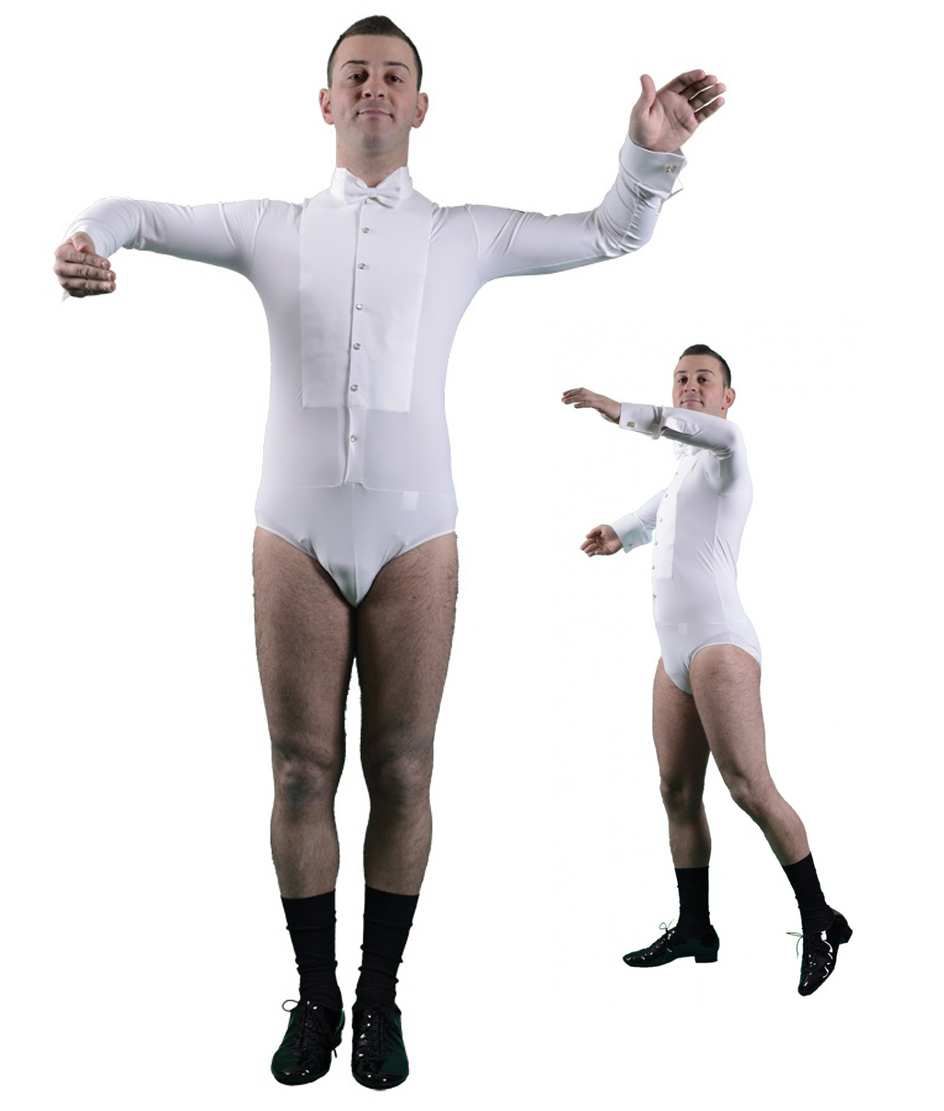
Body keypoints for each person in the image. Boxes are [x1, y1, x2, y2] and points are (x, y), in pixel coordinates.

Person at [53, 15, 725, 1088]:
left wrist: (648, 154)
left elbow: (609, 233)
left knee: (404, 767)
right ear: (325, 103)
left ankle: (377, 996)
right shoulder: (269, 226)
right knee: (298, 768)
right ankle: (315, 994)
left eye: (393, 75)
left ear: (420, 106)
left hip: (418, 535)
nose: (373, 86)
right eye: (354, 74)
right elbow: (133, 211)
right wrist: (86, 241)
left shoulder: (462, 234)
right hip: (293, 529)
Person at [562, 347, 851, 996]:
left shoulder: (728, 447)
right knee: (676, 790)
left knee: (749, 787)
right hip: (674, 656)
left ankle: (820, 918)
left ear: (727, 397)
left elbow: (694, 433)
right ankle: (696, 927)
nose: (690, 386)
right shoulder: (685, 474)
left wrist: (621, 410)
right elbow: (658, 511)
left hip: (720, 646)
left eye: (704, 379)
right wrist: (619, 532)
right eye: (681, 378)